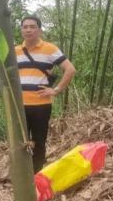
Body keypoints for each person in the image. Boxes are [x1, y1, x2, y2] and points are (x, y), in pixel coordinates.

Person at [16, 16, 75, 171]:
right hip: (19, 106)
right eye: (25, 27)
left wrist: (56, 90)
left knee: (39, 141)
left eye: (32, 26)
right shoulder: (15, 51)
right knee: (20, 142)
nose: (28, 30)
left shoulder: (50, 49)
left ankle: (37, 174)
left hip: (41, 105)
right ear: (21, 30)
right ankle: (23, 174)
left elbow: (70, 69)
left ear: (40, 30)